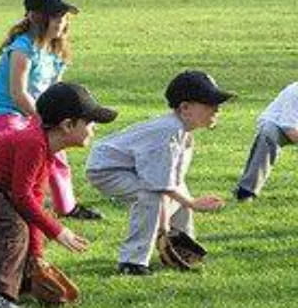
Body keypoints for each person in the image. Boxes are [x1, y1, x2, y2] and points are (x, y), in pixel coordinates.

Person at [0, 82, 117, 307]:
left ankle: (20, 283)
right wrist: (57, 230)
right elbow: (22, 197)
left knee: (18, 224)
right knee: (10, 228)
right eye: (89, 122)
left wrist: (37, 256)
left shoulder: (44, 149)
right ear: (67, 125)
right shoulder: (33, 145)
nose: (94, 128)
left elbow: (33, 203)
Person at [85, 70, 234, 275]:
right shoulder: (169, 132)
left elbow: (173, 181)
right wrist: (191, 203)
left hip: (130, 167)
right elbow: (159, 184)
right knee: (150, 198)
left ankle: (182, 245)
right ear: (185, 108)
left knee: (179, 193)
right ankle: (132, 261)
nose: (217, 109)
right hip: (106, 169)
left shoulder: (184, 133)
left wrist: (180, 208)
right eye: (209, 103)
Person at [0, 0, 101, 219]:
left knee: (57, 153)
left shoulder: (56, 51)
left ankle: (67, 207)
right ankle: (8, 205)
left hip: (38, 112)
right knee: (19, 156)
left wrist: (58, 120)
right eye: (55, 17)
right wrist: (44, 120)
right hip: (6, 112)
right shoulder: (22, 48)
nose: (61, 23)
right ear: (35, 17)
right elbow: (18, 93)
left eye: (63, 18)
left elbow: (56, 91)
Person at [234, 81, 298, 202]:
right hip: (279, 126)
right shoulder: (295, 92)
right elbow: (290, 130)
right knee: (268, 133)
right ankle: (246, 191)